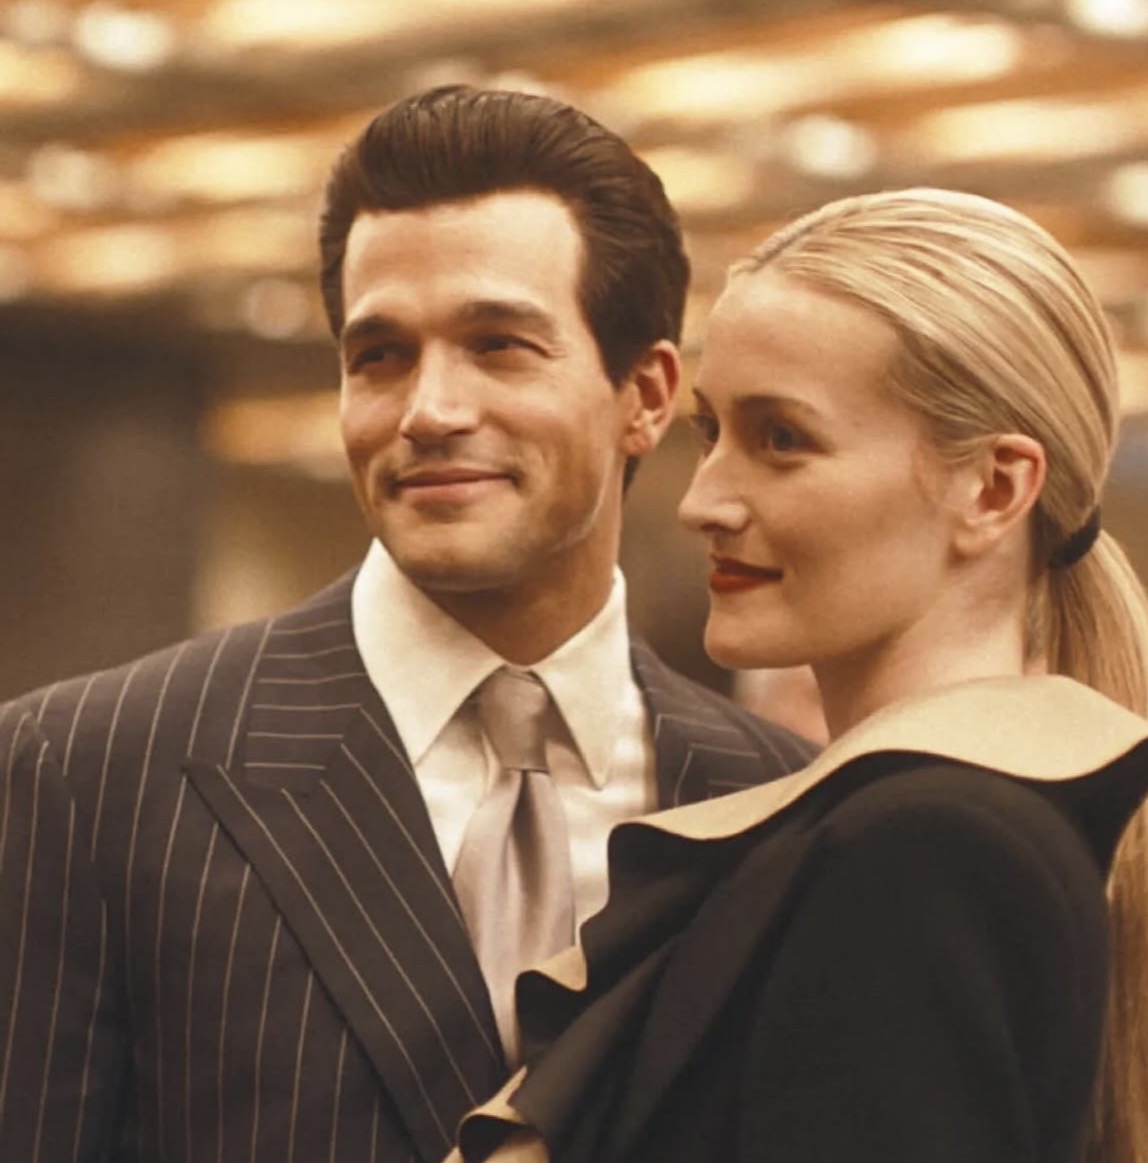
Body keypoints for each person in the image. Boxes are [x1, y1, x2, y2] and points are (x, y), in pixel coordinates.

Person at [0, 86, 816, 1163]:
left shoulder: (778, 803)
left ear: (647, 394)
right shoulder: (89, 772)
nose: (430, 410)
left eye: (498, 344)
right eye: (379, 354)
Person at [447, 189, 1148, 1163]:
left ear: (994, 487)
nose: (703, 501)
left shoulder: (927, 848)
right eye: (712, 432)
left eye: (782, 438)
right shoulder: (903, 826)